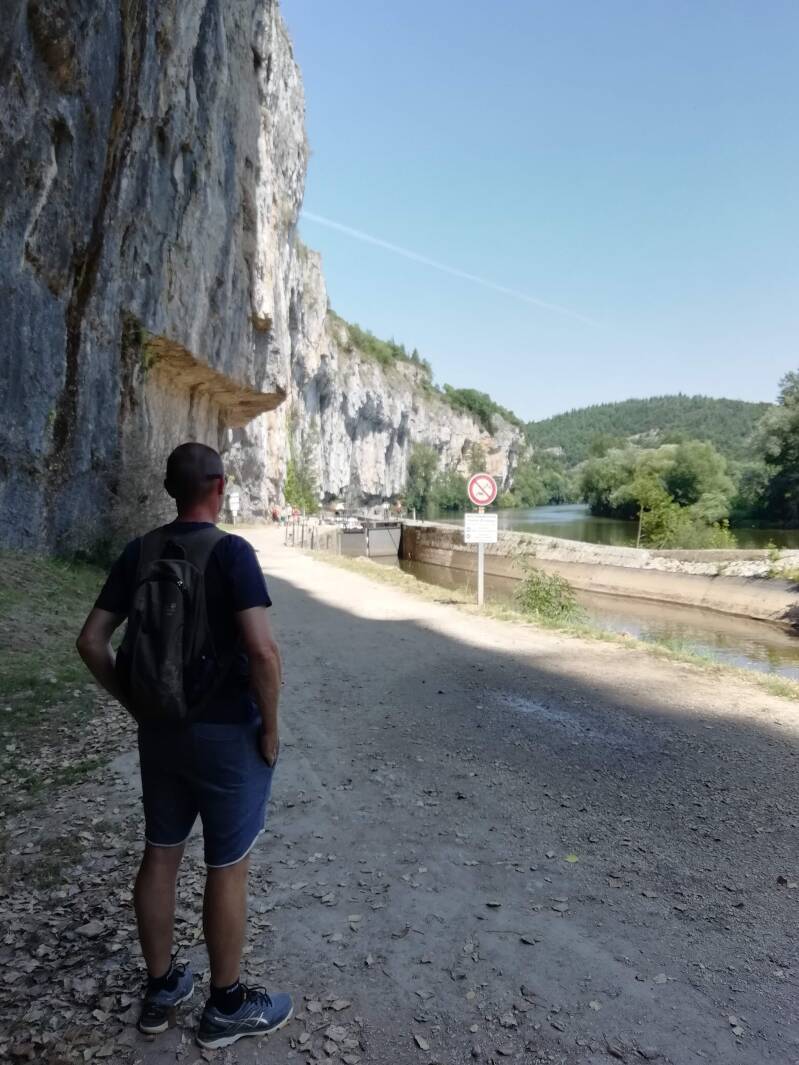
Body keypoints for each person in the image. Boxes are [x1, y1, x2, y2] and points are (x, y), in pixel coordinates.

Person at [76, 442, 293, 1049]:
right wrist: (270, 730)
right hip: (226, 735)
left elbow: (91, 641)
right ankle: (225, 1005)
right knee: (227, 864)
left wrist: (136, 704)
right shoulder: (232, 552)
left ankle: (162, 986)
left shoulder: (139, 551)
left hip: (161, 733)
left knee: (161, 854)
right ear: (220, 486)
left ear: (170, 489)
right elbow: (263, 651)